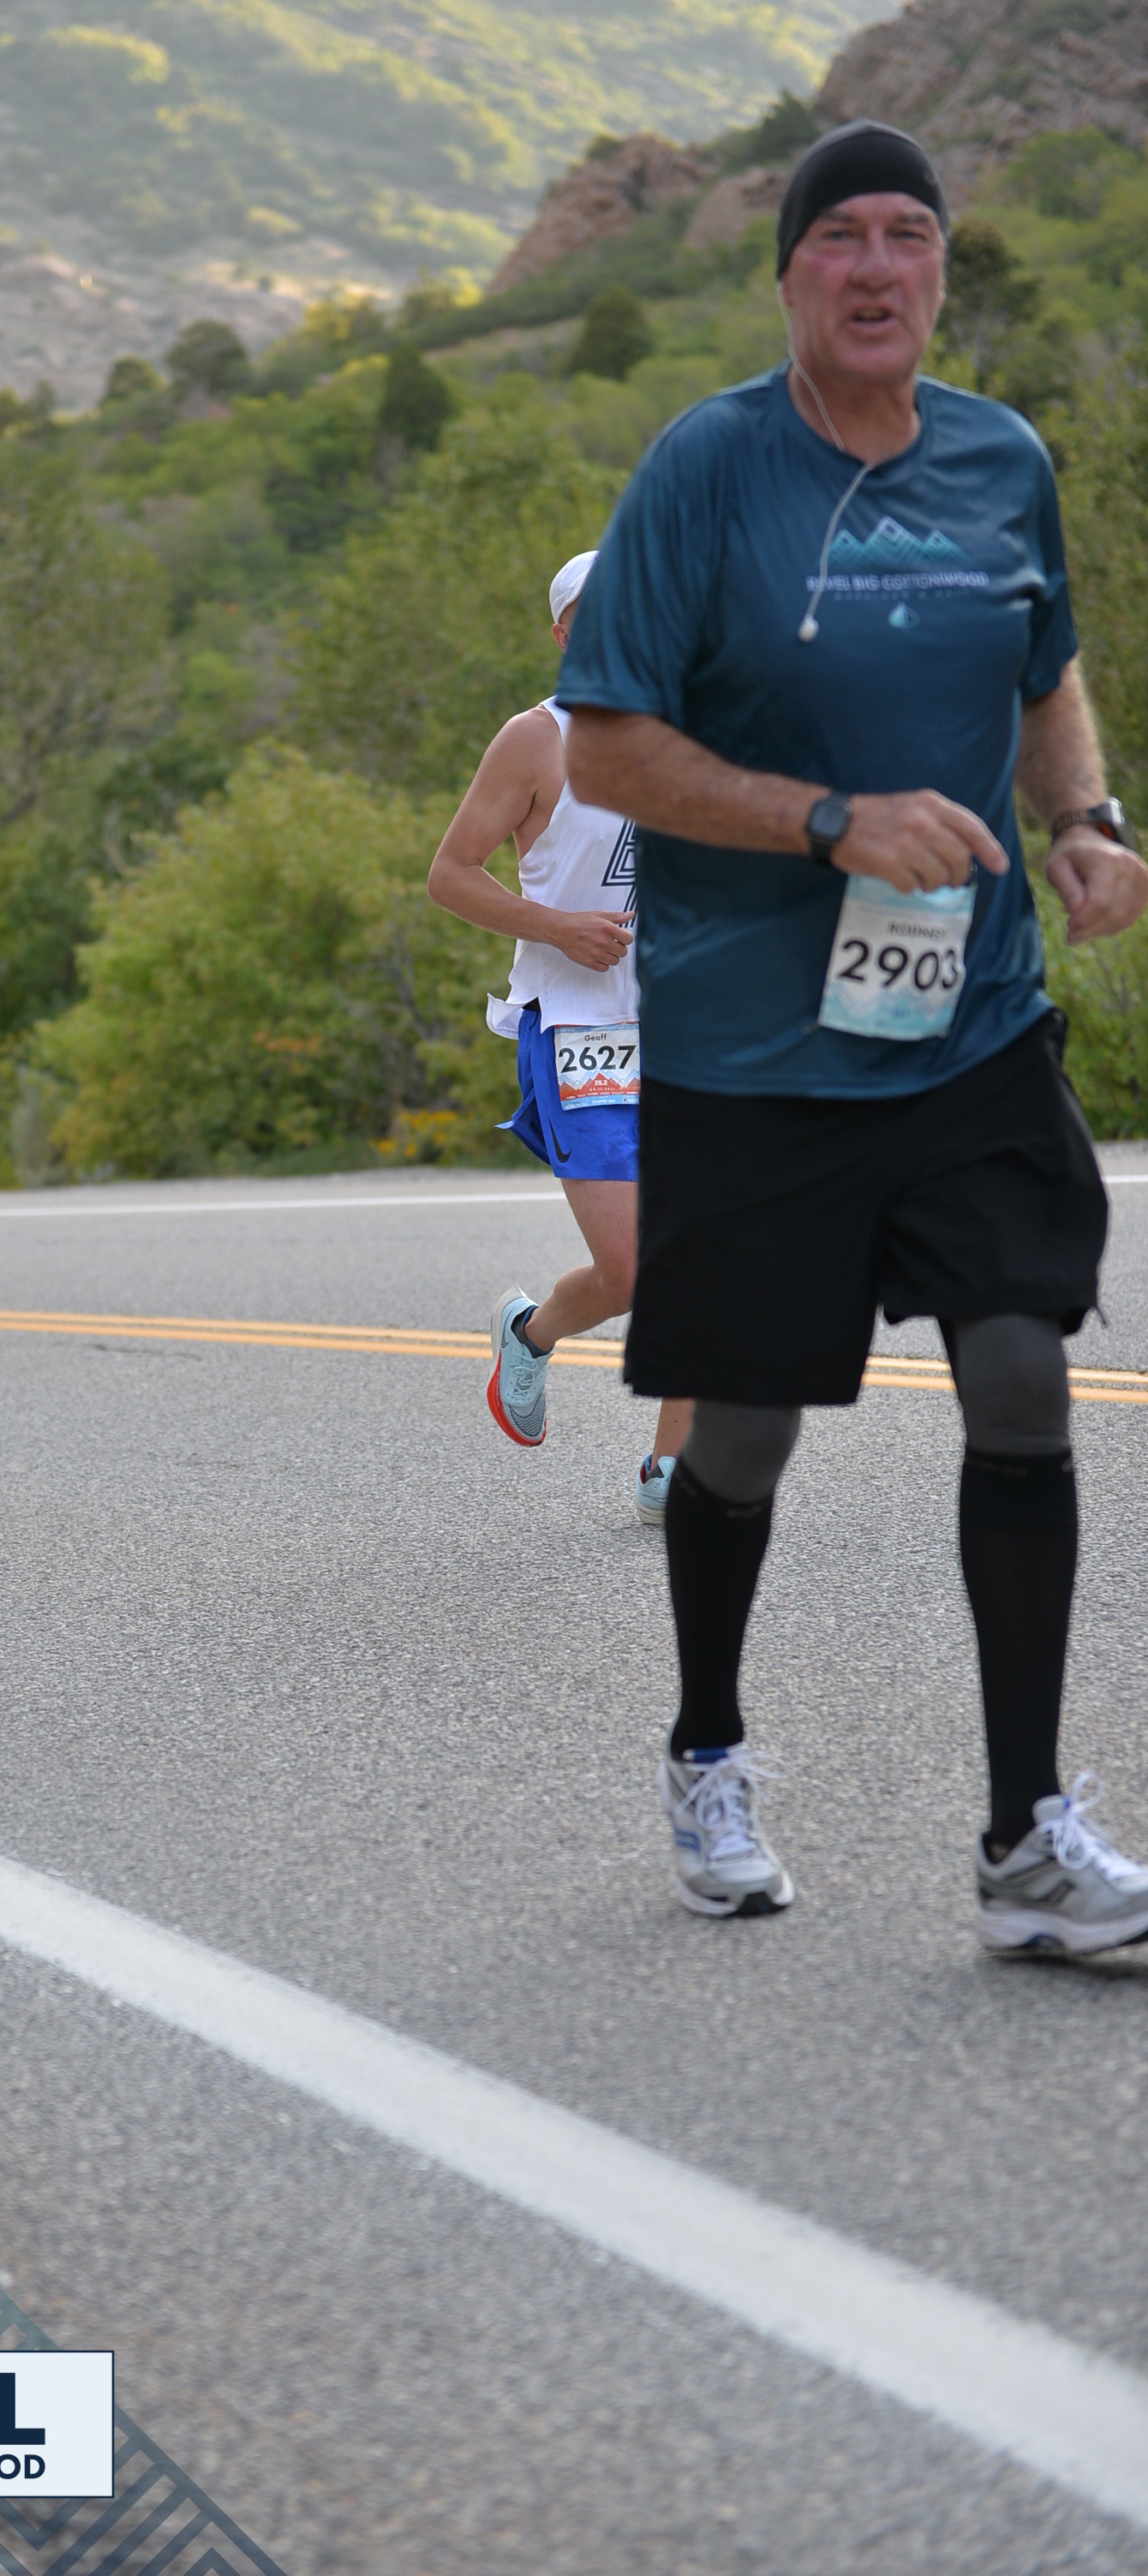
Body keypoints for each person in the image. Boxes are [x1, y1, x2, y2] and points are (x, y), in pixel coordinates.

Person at [557, 118, 1148, 1945]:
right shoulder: (705, 468)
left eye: (908, 235)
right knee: (739, 1432)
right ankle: (704, 1746)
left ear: (938, 269)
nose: (877, 267)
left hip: (967, 1026)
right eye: (841, 239)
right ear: (788, 273)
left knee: (1020, 1375)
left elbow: (1041, 669)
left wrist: (1080, 819)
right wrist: (826, 820)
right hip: (753, 1051)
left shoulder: (996, 459)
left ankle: (1022, 1839)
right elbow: (604, 745)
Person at [428, 552, 693, 1525]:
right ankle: (530, 1334)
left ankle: (672, 1470)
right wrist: (558, 928)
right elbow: (451, 874)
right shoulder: (535, 739)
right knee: (629, 1271)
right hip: (579, 1025)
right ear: (565, 633)